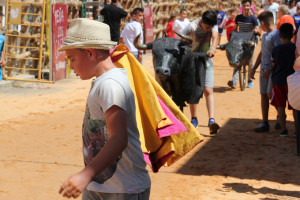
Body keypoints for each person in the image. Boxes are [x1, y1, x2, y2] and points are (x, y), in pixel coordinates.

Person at [58, 18, 151, 199]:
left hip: (123, 189)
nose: (71, 66)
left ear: (91, 53)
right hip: (103, 186)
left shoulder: (110, 84)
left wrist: (86, 174)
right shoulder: (105, 81)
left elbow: (119, 138)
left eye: (72, 59)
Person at [181, 10, 220, 134]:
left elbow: (215, 37)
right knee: (194, 91)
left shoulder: (212, 24)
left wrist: (213, 49)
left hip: (207, 61)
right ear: (202, 22)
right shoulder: (191, 27)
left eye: (211, 27)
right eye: (207, 27)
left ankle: (211, 120)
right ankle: (194, 118)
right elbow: (179, 39)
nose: (208, 29)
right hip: (192, 63)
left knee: (208, 90)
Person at [250, 11, 281, 132]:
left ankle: (280, 116)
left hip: (273, 70)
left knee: (271, 94)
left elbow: (278, 54)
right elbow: (262, 53)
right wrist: (254, 68)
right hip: (264, 69)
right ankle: (265, 122)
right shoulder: (264, 36)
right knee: (264, 95)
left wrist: (270, 69)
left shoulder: (276, 35)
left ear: (262, 23)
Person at [227, 0, 260, 89]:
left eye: (248, 6)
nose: (246, 8)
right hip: (240, 41)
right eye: (244, 6)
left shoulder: (253, 18)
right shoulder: (238, 17)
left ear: (250, 7)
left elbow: (257, 28)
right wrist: (232, 35)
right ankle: (234, 81)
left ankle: (249, 80)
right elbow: (235, 28)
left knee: (250, 62)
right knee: (237, 60)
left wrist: (256, 31)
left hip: (250, 42)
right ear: (242, 7)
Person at [271, 23, 296, 136]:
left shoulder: (276, 49)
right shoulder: (295, 48)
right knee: (295, 106)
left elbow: (273, 64)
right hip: (292, 81)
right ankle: (297, 130)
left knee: (281, 106)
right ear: (292, 35)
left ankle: (283, 129)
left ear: (280, 35)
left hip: (278, 80)